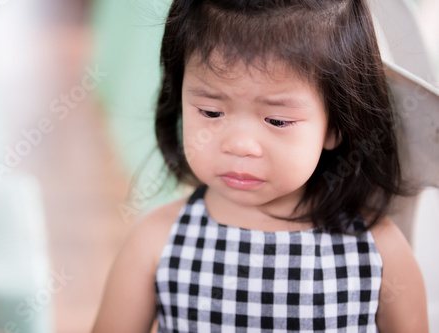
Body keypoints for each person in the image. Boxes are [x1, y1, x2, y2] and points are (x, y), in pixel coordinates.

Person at [92, 0, 429, 331]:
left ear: (336, 125)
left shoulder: (377, 252)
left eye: (277, 120)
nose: (239, 144)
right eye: (211, 112)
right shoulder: (156, 240)